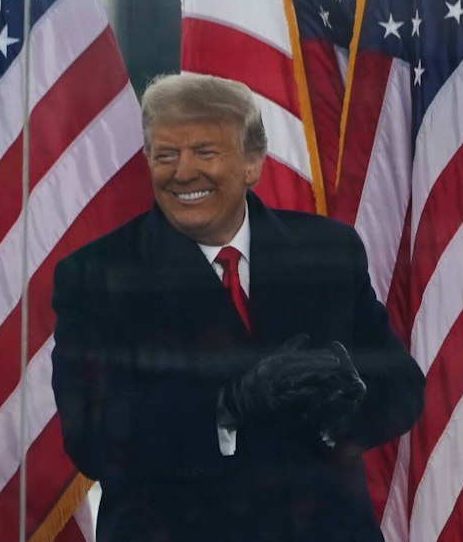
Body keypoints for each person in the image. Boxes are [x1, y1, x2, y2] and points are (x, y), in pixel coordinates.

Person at [51, 72, 425, 542]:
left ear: (253, 162)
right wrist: (226, 407)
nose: (183, 172)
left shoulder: (327, 250)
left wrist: (349, 410)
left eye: (205, 152)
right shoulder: (95, 275)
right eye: (165, 154)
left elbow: (404, 383)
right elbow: (92, 436)